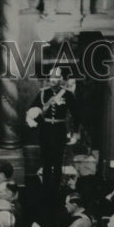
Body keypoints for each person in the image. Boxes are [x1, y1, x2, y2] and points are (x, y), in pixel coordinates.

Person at [26, 67, 75, 198]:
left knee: (58, 162)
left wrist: (73, 132)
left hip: (60, 131)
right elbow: (33, 109)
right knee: (46, 162)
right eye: (51, 77)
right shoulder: (43, 93)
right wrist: (35, 121)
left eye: (56, 77)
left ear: (61, 79)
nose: (53, 80)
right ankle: (46, 189)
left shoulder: (68, 94)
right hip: (46, 131)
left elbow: (76, 113)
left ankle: (56, 189)